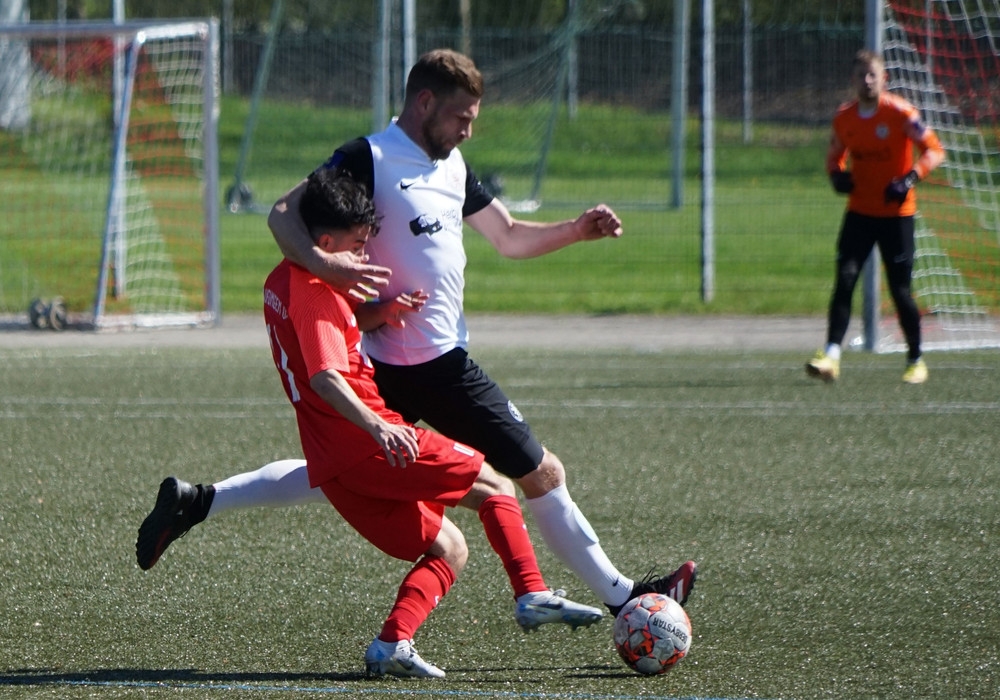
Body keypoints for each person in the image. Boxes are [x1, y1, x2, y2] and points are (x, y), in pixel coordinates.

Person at [137, 48, 696, 618]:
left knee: (335, 470)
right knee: (541, 471)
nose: (467, 131)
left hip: (388, 359)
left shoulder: (452, 166)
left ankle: (198, 502)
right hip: (428, 365)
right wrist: (327, 266)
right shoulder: (369, 157)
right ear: (424, 102)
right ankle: (623, 597)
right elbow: (283, 212)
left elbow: (508, 237)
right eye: (460, 117)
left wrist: (575, 230)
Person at [138, 170, 602, 679]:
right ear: (325, 244)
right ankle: (531, 591)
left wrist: (380, 313)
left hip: (335, 465)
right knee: (496, 485)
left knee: (450, 548)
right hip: (369, 443)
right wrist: (379, 427)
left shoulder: (282, 281)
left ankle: (391, 644)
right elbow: (325, 376)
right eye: (358, 246)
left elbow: (325, 333)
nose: (364, 256)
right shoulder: (316, 291)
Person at [806, 49, 945, 384]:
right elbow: (834, 157)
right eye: (861, 75)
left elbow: (935, 150)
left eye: (873, 75)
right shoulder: (844, 119)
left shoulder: (901, 114)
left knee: (900, 291)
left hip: (897, 216)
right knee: (845, 279)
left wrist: (910, 179)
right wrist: (836, 176)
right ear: (853, 80)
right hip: (859, 213)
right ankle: (831, 355)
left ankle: (916, 360)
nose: (867, 81)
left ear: (885, 79)